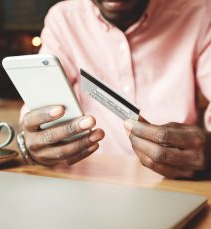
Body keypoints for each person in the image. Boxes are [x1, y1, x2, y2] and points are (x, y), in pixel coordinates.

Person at [19, 0, 211, 178]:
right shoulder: (64, 19)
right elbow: (38, 117)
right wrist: (35, 143)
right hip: (89, 178)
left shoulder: (200, 13)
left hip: (177, 182)